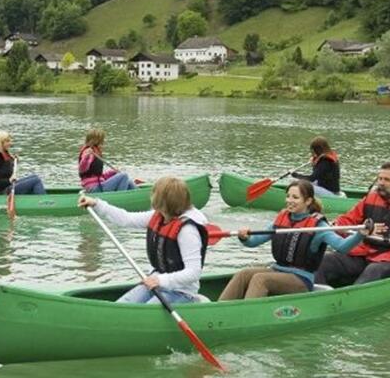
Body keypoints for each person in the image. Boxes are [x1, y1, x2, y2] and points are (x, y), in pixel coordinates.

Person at [218, 180, 370, 300]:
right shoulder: (281, 219)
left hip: (301, 279)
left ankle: (247, 315)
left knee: (260, 279)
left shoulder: (318, 226)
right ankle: (220, 309)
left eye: (295, 197)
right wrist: (244, 237)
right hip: (278, 270)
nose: (289, 200)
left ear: (308, 201)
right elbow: (253, 242)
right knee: (244, 274)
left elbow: (342, 247)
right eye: (288, 196)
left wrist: (360, 234)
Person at [78, 176, 208, 304]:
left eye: (154, 193)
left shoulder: (187, 230)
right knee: (122, 305)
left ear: (161, 200)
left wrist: (160, 280)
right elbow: (127, 219)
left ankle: (193, 303)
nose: (151, 196)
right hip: (156, 284)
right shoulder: (159, 216)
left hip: (181, 292)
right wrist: (97, 204)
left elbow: (193, 272)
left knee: (146, 310)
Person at [78, 128, 136, 193]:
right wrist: (86, 157)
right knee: (124, 176)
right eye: (102, 140)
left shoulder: (95, 151)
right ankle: (120, 196)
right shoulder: (88, 152)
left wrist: (112, 172)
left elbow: (99, 176)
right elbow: (82, 169)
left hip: (99, 185)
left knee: (127, 180)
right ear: (97, 141)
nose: (103, 142)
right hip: (93, 188)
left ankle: (137, 192)